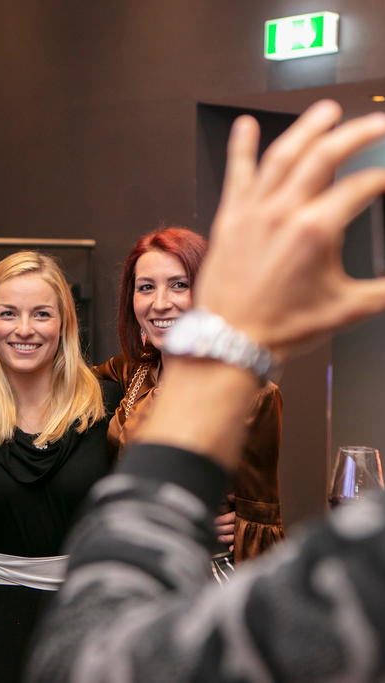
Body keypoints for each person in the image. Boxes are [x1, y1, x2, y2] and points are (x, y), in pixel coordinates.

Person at [27, 1, 385, 676]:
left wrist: (221, 346)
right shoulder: (115, 376)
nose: (159, 303)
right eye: (145, 287)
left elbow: (96, 662)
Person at [0, 251, 117, 683]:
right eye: (8, 314)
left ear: (64, 323)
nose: (24, 329)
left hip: (84, 615)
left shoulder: (108, 404)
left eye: (41, 314)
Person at [94, 226, 284, 561]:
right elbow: (67, 379)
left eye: (179, 285)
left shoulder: (250, 395)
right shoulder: (137, 370)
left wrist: (206, 523)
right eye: (146, 288)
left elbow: (261, 522)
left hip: (199, 574)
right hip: (129, 560)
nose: (160, 303)